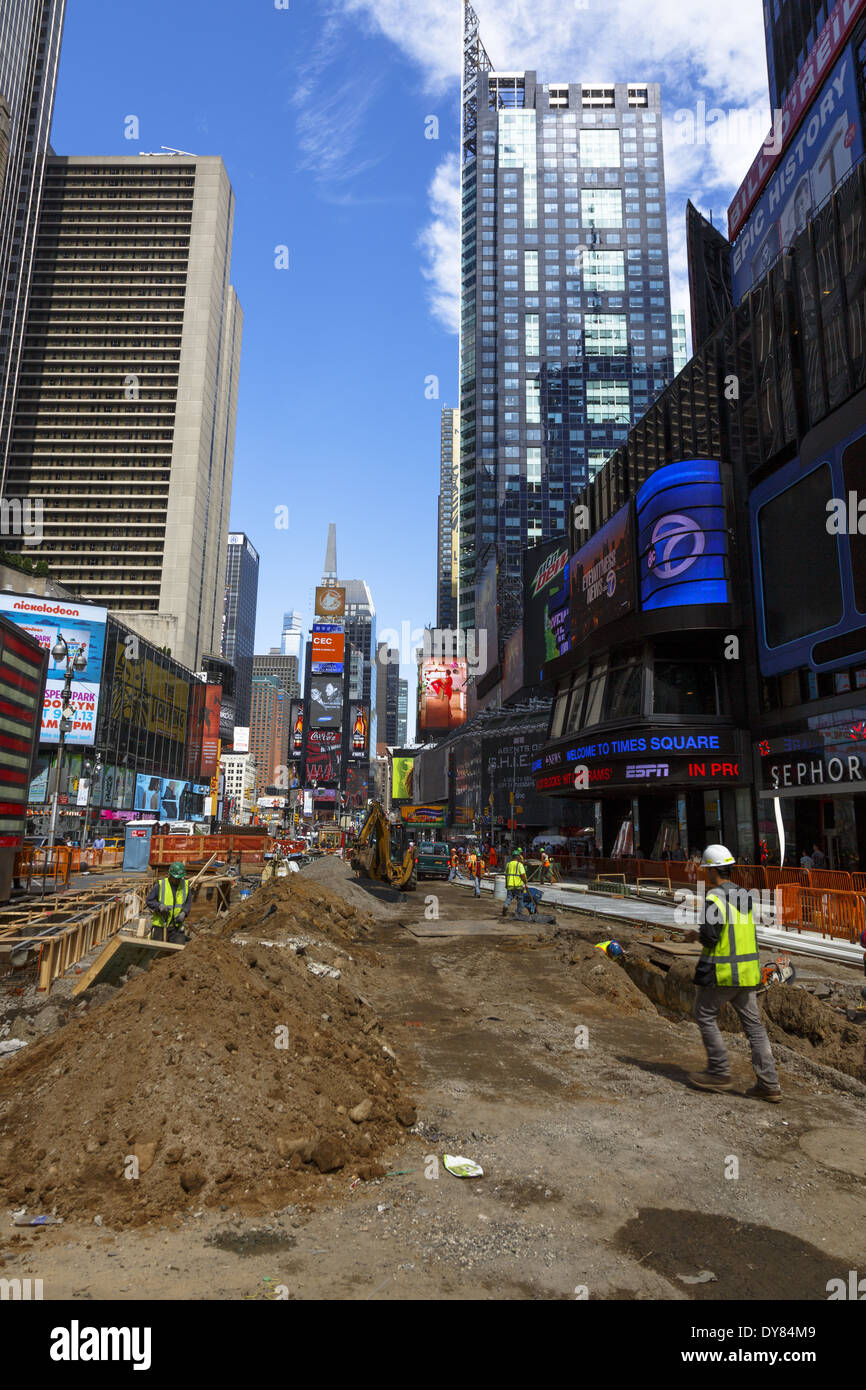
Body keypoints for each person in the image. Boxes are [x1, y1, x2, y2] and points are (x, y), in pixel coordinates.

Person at [687, 844, 782, 1103]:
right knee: (754, 1027)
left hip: (723, 972)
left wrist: (695, 935)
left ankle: (718, 1071)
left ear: (713, 870)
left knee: (704, 1014)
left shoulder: (715, 897)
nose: (704, 873)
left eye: (706, 869)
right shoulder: (745, 896)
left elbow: (710, 936)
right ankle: (769, 1084)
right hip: (748, 972)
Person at [146, 862, 192, 944]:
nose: (178, 880)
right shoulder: (160, 885)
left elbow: (188, 902)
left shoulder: (185, 886)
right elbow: (149, 901)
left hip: (177, 926)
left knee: (179, 949)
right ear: (170, 875)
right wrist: (159, 906)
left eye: (180, 878)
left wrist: (184, 913)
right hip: (161, 925)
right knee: (157, 950)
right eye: (176, 878)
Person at [502, 848, 536, 919]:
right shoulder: (519, 865)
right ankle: (518, 912)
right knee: (520, 899)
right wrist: (525, 882)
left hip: (510, 885)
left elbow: (506, 875)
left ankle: (506, 905)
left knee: (509, 897)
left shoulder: (508, 864)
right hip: (518, 885)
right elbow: (523, 875)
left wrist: (506, 884)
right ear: (517, 857)